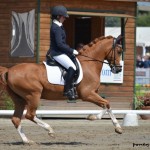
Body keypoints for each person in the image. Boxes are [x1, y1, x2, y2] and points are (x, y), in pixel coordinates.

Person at [46, 5, 79, 100]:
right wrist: (71, 50)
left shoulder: (59, 26)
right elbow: (60, 44)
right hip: (57, 53)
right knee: (72, 67)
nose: (65, 18)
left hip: (60, 52)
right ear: (58, 16)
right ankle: (67, 90)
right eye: (63, 16)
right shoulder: (56, 27)